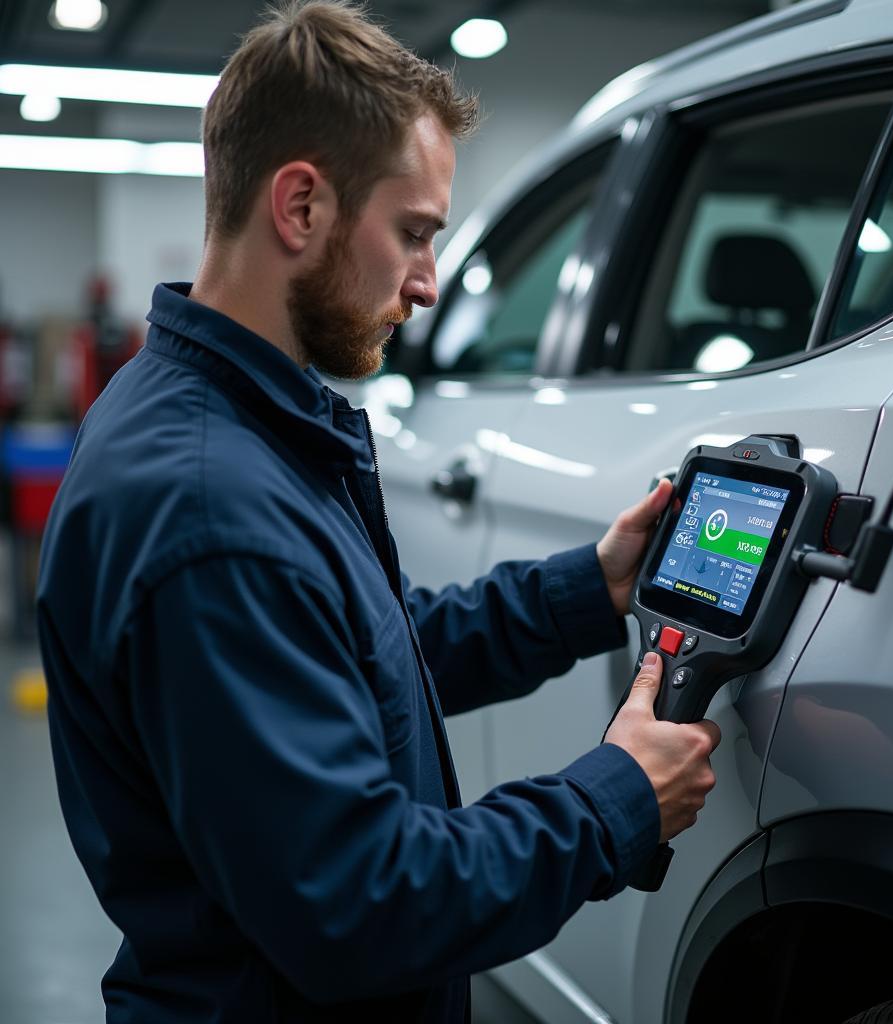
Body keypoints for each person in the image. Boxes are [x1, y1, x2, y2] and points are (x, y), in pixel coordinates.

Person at [36, 3, 721, 1021]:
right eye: (413, 233)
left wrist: (589, 586)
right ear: (301, 206)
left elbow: (362, 661)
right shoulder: (208, 510)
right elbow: (360, 904)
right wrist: (612, 799)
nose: (430, 283)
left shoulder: (236, 420)